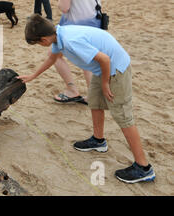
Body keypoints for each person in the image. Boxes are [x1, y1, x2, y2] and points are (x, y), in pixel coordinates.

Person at [19, 14, 156, 184]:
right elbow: (52, 58)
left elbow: (104, 59)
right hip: (102, 70)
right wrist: (33, 75)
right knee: (95, 102)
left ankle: (143, 168)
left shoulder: (70, 41)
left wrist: (106, 83)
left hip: (115, 70)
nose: (40, 46)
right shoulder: (58, 36)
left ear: (44, 39)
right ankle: (98, 141)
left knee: (123, 116)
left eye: (38, 43)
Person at [52, 0, 108, 104]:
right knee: (88, 60)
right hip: (94, 22)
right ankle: (92, 95)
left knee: (54, 56)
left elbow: (64, 7)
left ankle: (71, 89)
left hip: (73, 26)